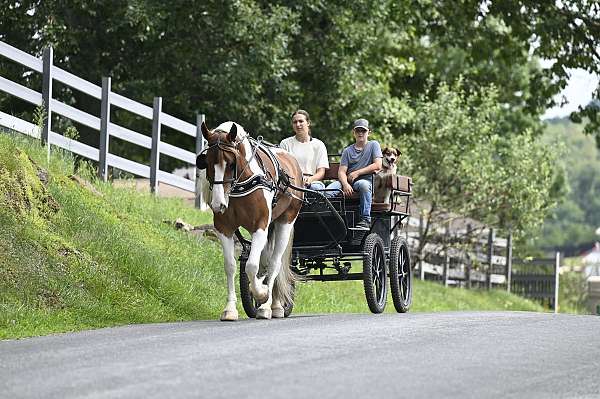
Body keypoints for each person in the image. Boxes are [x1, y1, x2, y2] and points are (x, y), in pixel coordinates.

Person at [326, 118, 382, 230]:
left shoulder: (373, 145)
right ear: (354, 133)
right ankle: (333, 220)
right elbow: (341, 171)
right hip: (347, 181)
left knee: (364, 185)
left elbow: (377, 165)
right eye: (358, 131)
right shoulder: (348, 151)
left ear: (369, 132)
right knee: (327, 192)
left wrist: (357, 172)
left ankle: (365, 219)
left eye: (363, 131)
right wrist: (345, 184)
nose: (360, 133)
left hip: (364, 180)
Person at [280, 110, 329, 190]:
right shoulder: (285, 144)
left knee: (315, 187)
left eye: (301, 121)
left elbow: (321, 172)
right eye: (295, 122)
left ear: (308, 123)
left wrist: (310, 180)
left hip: (312, 182)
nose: (298, 124)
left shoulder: (319, 145)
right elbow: (283, 168)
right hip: (291, 183)